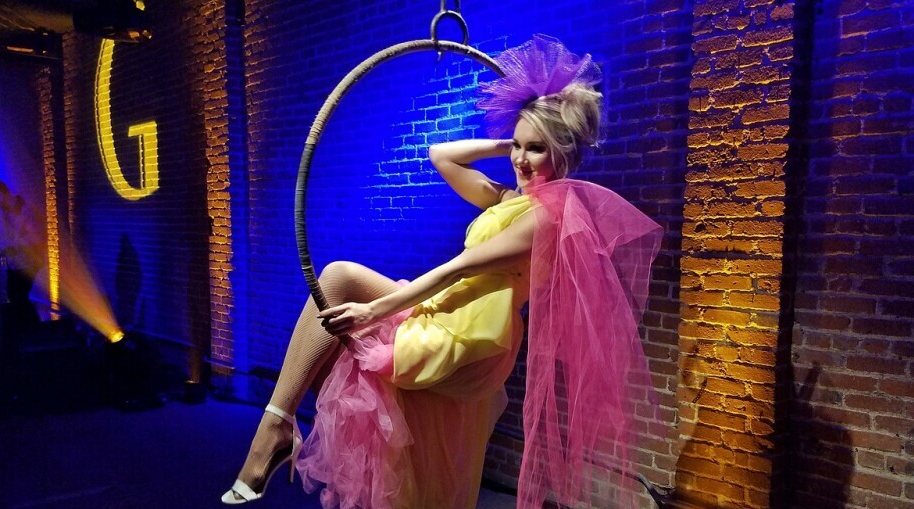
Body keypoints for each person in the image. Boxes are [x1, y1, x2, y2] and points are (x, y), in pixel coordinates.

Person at [221, 34, 664, 509]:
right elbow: (442, 155)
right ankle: (278, 422)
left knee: (343, 290)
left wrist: (377, 307)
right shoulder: (510, 199)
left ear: (563, 151)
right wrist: (517, 139)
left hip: (469, 337)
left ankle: (276, 426)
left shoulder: (547, 218)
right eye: (517, 146)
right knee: (335, 278)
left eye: (535, 150)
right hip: (449, 310)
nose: (519, 159)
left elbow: (459, 268)